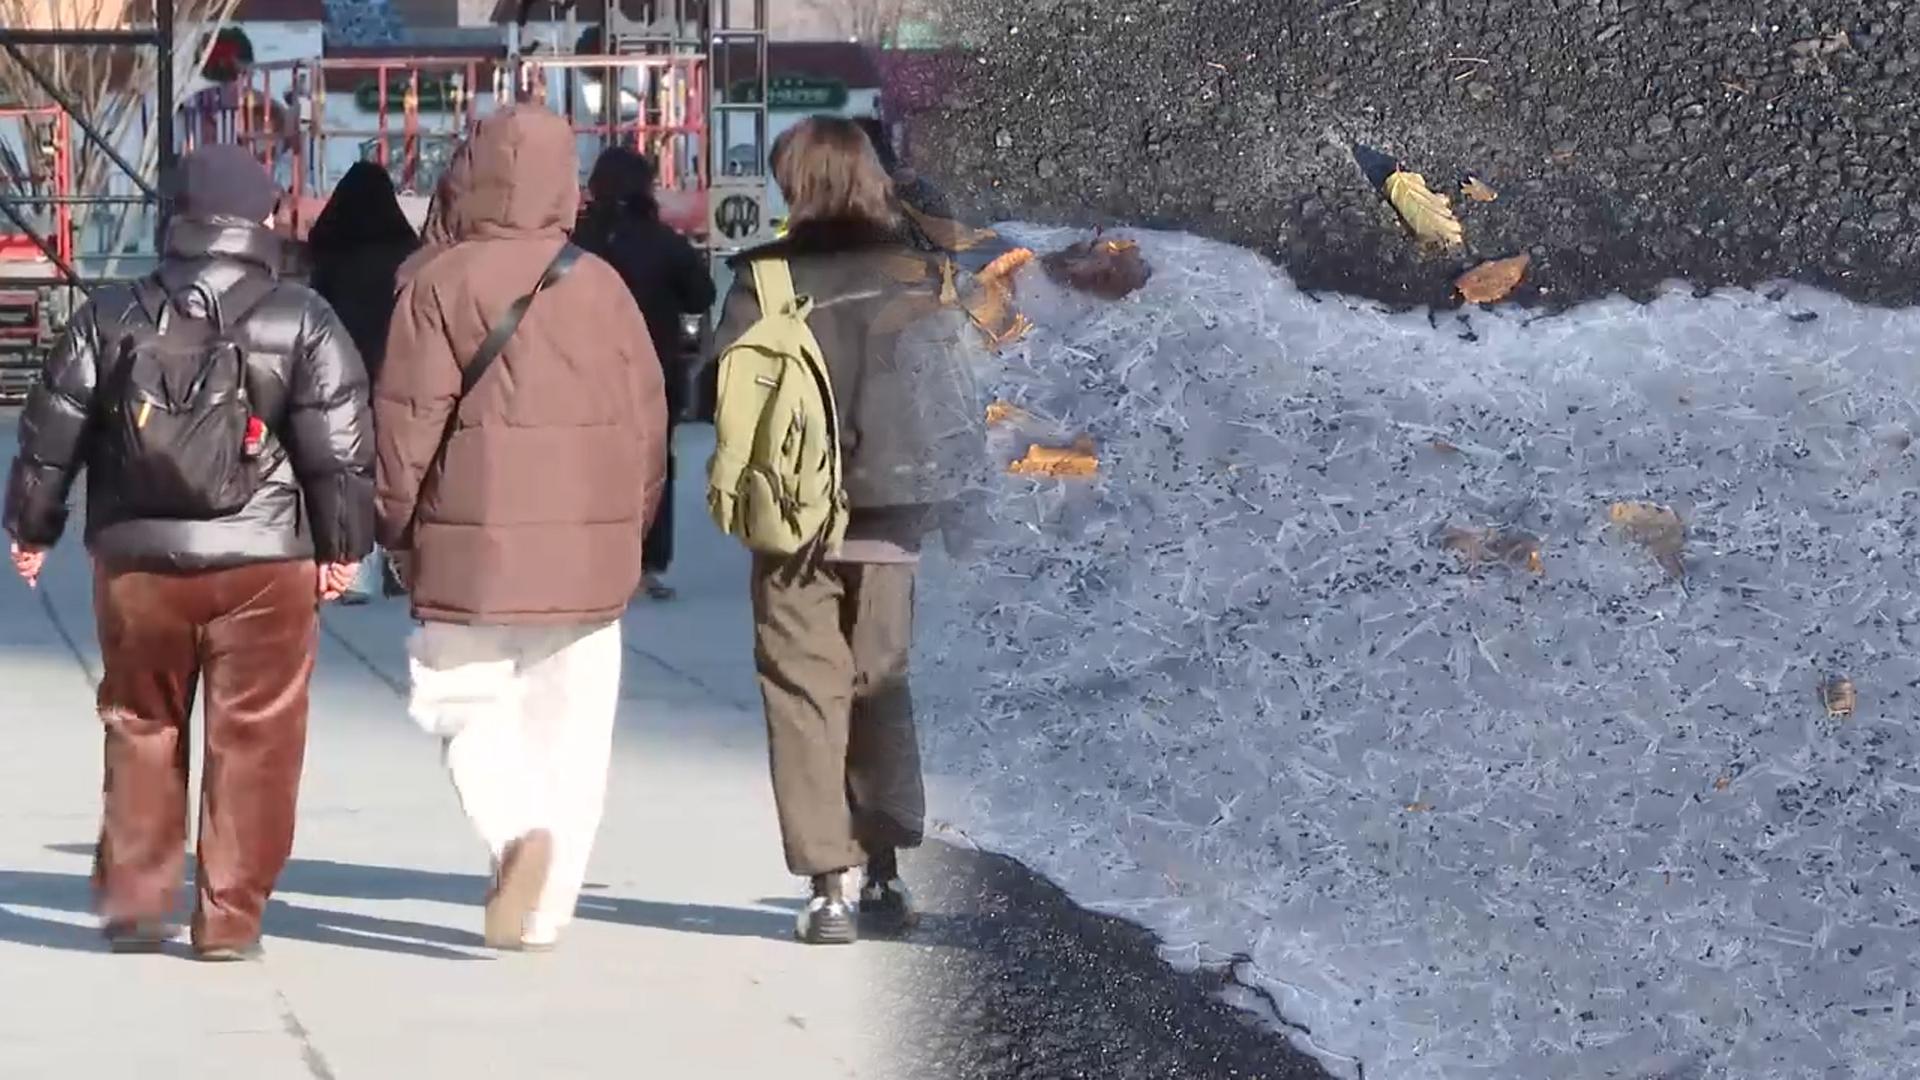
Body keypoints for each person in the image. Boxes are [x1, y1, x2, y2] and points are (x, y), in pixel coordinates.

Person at [3, 144, 375, 960]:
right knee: (255, 737)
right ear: (261, 220)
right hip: (265, 563)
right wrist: (344, 547)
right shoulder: (301, 317)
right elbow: (340, 449)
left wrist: (32, 529)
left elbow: (50, 430)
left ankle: (137, 904)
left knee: (140, 725)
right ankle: (229, 920)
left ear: (179, 222)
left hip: (138, 563)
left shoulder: (111, 314)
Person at [375, 105, 667, 953]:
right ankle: (546, 910)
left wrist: (392, 525)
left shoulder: (434, 283)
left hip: (473, 551)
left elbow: (404, 426)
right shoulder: (602, 284)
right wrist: (632, 526)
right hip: (587, 549)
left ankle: (511, 834)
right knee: (575, 733)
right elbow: (649, 423)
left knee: (460, 700)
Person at [714, 116, 976, 945]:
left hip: (791, 523)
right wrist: (969, 510)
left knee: (803, 695)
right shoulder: (920, 272)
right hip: (891, 519)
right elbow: (955, 399)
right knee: (881, 687)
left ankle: (830, 886)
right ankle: (888, 873)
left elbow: (720, 395)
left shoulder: (765, 279)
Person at [574, 146, 716, 601]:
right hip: (654, 370)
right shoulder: (664, 243)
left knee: (588, 465)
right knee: (653, 466)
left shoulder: (576, 242)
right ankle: (645, 562)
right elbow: (701, 295)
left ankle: (592, 559)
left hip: (584, 372)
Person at [306, 160, 420, 603]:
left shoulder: (332, 255)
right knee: (398, 470)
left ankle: (357, 569)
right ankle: (401, 565)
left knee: (350, 471)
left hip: (343, 377)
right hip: (398, 374)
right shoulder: (406, 256)